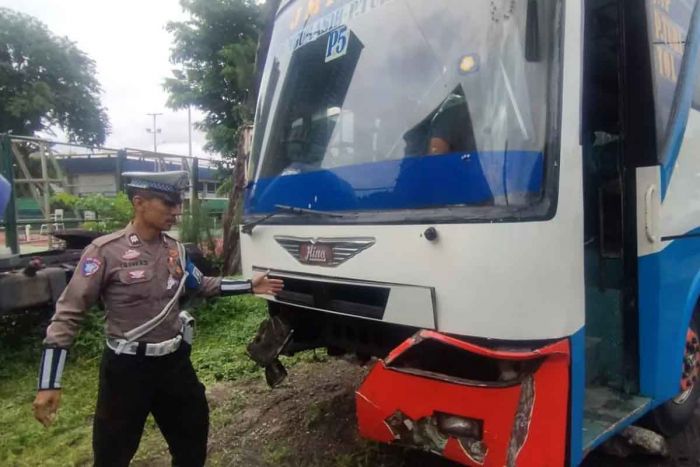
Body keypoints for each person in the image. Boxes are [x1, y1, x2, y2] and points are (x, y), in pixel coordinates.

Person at [32, 171, 284, 467]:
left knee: (192, 440)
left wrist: (249, 285)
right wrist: (49, 382)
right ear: (139, 202)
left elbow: (200, 284)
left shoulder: (175, 250)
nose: (176, 211)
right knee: (113, 454)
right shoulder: (104, 252)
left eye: (177, 203)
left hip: (173, 365)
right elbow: (68, 314)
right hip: (126, 370)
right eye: (167, 203)